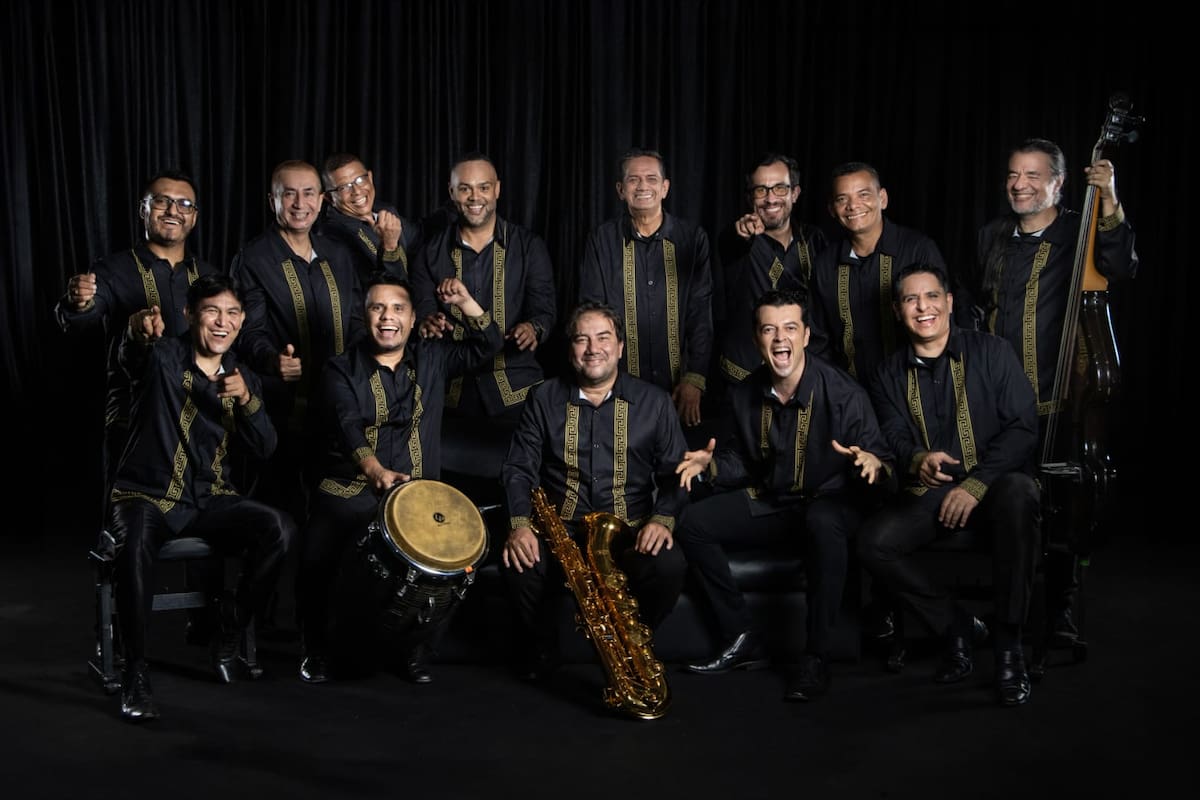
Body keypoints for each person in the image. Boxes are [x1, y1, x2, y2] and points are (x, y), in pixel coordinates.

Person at [675, 288, 894, 702]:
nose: (780, 339)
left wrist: (873, 464)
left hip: (830, 504)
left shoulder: (844, 394)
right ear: (757, 339)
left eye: (790, 328)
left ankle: (816, 658)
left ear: (806, 336)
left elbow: (882, 462)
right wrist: (713, 466)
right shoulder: (744, 393)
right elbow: (740, 460)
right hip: (774, 502)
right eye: (769, 329)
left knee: (822, 519)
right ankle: (742, 636)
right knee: (691, 523)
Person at [969, 138, 1138, 647]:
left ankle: (1059, 606)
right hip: (997, 400)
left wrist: (1108, 199)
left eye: (1033, 176)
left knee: (1062, 509)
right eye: (1013, 175)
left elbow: (1121, 264)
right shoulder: (992, 235)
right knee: (1009, 504)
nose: (1019, 185)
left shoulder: (1078, 231)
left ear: (1058, 183)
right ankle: (1003, 607)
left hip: (1058, 396)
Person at [296, 272, 503, 685]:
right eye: (377, 308)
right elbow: (346, 423)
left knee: (458, 560)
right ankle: (317, 650)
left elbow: (489, 343)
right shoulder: (340, 368)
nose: (387, 317)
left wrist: (463, 301)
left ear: (412, 319)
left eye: (397, 309)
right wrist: (374, 471)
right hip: (354, 487)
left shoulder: (433, 357)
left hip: (419, 494)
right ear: (364, 316)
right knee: (320, 545)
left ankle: (413, 650)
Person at [108, 274, 296, 722]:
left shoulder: (242, 375)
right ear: (191, 314)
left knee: (280, 529)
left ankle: (229, 628)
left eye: (232, 313)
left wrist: (248, 398)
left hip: (209, 498)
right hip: (146, 493)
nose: (222, 322)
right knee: (133, 547)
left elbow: (266, 447)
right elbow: (130, 355)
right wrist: (134, 333)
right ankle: (135, 672)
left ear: (242, 320)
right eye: (212, 311)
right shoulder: (162, 356)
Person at [859, 263, 1041, 707]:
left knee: (1022, 495)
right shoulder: (886, 373)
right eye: (910, 299)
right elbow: (894, 438)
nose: (923, 308)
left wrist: (977, 485)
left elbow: (1022, 428)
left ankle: (1009, 648)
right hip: (935, 490)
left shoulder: (993, 352)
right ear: (899, 311)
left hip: (994, 483)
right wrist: (917, 459)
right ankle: (955, 626)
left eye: (931, 297)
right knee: (872, 543)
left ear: (949, 303)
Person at [56, 169, 223, 644]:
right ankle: (119, 637)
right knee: (124, 534)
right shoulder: (114, 269)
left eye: (184, 204)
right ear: (144, 210)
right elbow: (81, 322)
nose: (173, 210)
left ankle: (205, 625)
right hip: (132, 424)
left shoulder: (205, 274)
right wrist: (79, 303)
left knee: (207, 513)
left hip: (198, 420)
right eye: (162, 202)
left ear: (194, 217)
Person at [499, 301, 689, 680]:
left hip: (630, 529)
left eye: (603, 337)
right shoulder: (543, 398)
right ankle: (543, 650)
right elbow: (519, 468)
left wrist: (662, 521)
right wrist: (519, 525)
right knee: (520, 562)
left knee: (669, 564)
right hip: (562, 531)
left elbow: (677, 474)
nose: (593, 348)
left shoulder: (653, 402)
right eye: (582, 339)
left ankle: (634, 644)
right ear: (570, 350)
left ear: (620, 346)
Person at [229, 159, 365, 527]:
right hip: (282, 411)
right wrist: (273, 360)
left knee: (335, 515)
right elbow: (247, 330)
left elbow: (355, 321)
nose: (299, 203)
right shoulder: (254, 258)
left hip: (342, 407)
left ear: (321, 200)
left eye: (308, 193)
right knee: (279, 511)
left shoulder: (339, 254)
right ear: (272, 200)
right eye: (288, 194)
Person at [410, 152, 556, 487]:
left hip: (517, 389)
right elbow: (421, 309)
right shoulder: (430, 252)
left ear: (498, 190)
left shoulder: (527, 245)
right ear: (451, 192)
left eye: (483, 187)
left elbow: (545, 309)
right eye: (465, 189)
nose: (475, 197)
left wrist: (534, 328)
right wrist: (428, 322)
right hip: (452, 394)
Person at [577, 148, 713, 445]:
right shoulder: (603, 239)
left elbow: (700, 314)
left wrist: (694, 379)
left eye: (652, 179)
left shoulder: (692, 239)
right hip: (621, 385)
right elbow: (592, 311)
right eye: (633, 180)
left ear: (665, 188)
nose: (642, 187)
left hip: (679, 388)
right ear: (620, 189)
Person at [808, 161, 951, 384]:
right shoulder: (825, 265)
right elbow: (819, 340)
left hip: (916, 388)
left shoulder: (918, 250)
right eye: (842, 199)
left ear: (882, 198)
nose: (853, 206)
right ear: (831, 209)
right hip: (852, 392)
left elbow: (945, 324)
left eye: (863, 194)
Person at [716, 153, 829, 389]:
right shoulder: (740, 238)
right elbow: (731, 242)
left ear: (794, 193)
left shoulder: (813, 239)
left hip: (802, 372)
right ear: (750, 197)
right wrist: (742, 232)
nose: (770, 198)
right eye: (761, 190)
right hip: (744, 374)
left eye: (779, 188)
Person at [318, 153, 421, 284]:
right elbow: (378, 289)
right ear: (329, 197)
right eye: (344, 187)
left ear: (370, 178)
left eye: (360, 180)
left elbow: (420, 237)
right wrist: (389, 247)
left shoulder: (384, 210)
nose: (356, 191)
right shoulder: (331, 237)